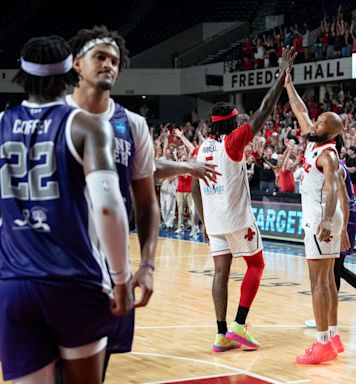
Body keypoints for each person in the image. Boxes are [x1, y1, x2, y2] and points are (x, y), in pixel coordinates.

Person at [66, 25, 219, 380]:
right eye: (100, 57)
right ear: (77, 64)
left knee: (92, 373)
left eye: (114, 60)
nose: (108, 65)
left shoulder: (131, 124)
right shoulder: (53, 117)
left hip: (104, 267)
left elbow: (146, 191)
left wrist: (147, 264)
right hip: (51, 260)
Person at [0, 35, 132, 384]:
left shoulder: (1, 123)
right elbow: (108, 207)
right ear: (69, 74)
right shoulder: (85, 124)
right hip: (75, 281)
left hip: (14, 282)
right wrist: (121, 280)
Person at [192, 47, 297, 353]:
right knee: (256, 265)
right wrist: (281, 77)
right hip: (236, 219)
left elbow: (197, 187)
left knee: (220, 274)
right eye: (237, 120)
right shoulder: (232, 143)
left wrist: (201, 219)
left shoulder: (203, 148)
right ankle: (239, 324)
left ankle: (221, 334)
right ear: (231, 123)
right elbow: (264, 109)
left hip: (213, 222)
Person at [285, 68, 346, 364]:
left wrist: (325, 220)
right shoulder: (314, 141)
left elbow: (334, 187)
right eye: (318, 118)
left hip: (322, 218)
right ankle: (333, 335)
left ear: (331, 132)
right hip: (326, 217)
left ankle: (321, 342)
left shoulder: (328, 154)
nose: (316, 121)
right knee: (329, 280)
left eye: (322, 122)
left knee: (318, 282)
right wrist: (288, 84)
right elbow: (299, 109)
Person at [304, 141, 356, 331]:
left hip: (344, 216)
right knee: (336, 269)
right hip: (342, 216)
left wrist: (342, 230)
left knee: (333, 269)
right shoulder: (329, 162)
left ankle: (328, 319)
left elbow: (344, 199)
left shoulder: (336, 166)